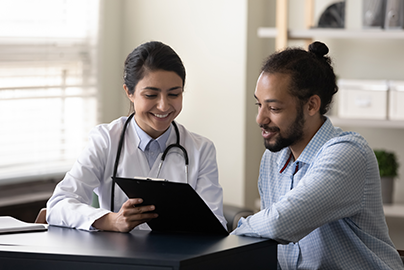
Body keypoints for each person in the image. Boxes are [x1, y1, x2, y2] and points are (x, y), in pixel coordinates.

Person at [231, 41, 403, 269]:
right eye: (258, 104)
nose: (260, 118)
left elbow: (279, 224)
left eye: (273, 108)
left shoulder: (347, 153)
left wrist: (237, 229)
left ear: (311, 105)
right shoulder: (273, 158)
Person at [46, 41, 226, 232]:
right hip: (119, 258)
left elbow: (216, 224)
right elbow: (58, 205)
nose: (164, 106)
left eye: (174, 94)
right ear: (129, 92)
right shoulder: (105, 141)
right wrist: (111, 220)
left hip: (177, 259)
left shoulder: (201, 150)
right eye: (150, 95)